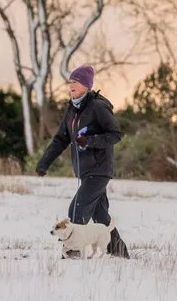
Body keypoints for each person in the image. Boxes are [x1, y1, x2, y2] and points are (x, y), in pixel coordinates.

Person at [36, 65, 130, 259]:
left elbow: (115, 135)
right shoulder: (72, 109)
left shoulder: (98, 106)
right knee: (101, 216)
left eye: (75, 82)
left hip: (100, 169)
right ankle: (120, 253)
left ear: (86, 86)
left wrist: (90, 141)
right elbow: (61, 139)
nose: (71, 86)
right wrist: (44, 163)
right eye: (70, 82)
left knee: (77, 208)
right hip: (84, 171)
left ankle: (72, 253)